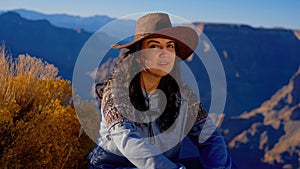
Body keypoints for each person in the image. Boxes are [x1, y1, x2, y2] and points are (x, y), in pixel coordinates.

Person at [88, 12, 232, 169]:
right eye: (154, 46)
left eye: (169, 46)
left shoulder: (184, 96)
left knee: (227, 164)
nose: (164, 53)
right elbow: (128, 140)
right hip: (114, 166)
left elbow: (210, 137)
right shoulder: (116, 92)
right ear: (138, 56)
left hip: (167, 166)